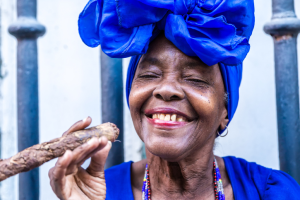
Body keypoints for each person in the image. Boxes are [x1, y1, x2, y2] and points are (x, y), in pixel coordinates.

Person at [48, 0, 300, 199]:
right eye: (149, 74)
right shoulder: (96, 191)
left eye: (195, 79)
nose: (166, 89)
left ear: (225, 110)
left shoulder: (271, 192)